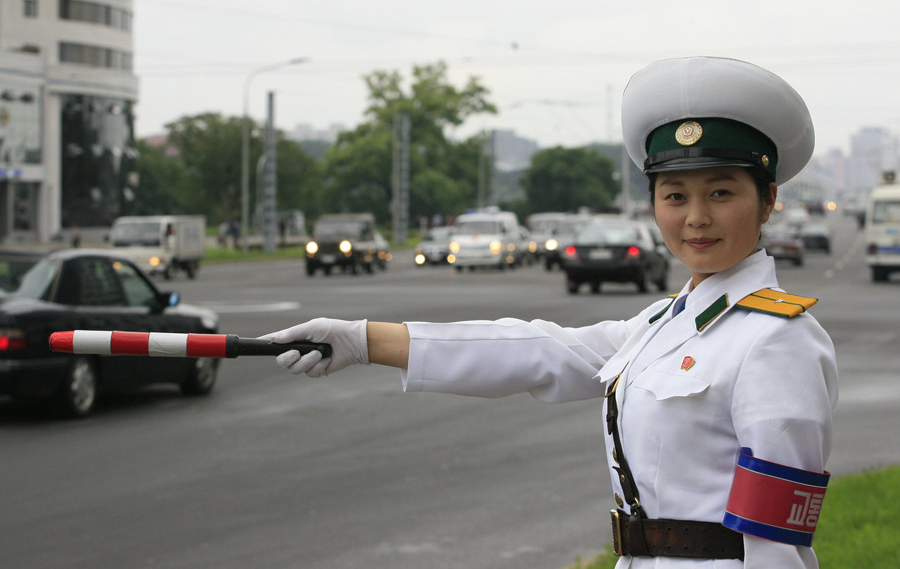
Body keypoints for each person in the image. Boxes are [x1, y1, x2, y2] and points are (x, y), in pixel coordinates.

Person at [263, 57, 838, 568]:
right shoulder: (666, 322)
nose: (695, 218)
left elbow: (776, 543)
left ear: (766, 201)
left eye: (720, 193)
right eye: (675, 195)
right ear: (653, 205)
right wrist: (362, 340)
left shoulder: (776, 340)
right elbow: (538, 352)